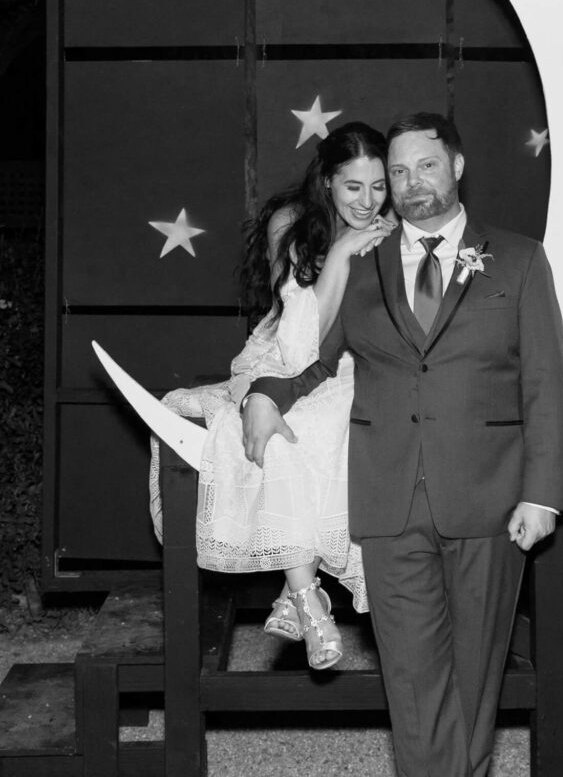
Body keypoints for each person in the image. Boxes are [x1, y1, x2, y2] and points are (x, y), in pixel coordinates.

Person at [241, 112, 563, 777]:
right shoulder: (366, 262)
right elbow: (318, 363)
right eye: (398, 171)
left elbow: (546, 384)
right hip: (389, 502)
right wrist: (264, 394)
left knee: (475, 682)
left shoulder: (520, 258)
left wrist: (542, 494)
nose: (411, 181)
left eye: (425, 165)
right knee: (413, 688)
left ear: (456, 166)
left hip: (489, 504)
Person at [148, 121, 395, 670]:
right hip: (282, 357)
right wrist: (342, 254)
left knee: (328, 434)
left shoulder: (393, 227)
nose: (368, 200)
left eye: (378, 186)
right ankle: (310, 602)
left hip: (354, 365)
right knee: (275, 441)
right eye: (353, 186)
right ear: (328, 181)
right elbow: (300, 340)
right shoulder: (292, 222)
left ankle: (295, 585)